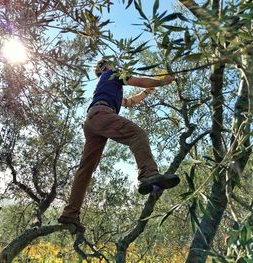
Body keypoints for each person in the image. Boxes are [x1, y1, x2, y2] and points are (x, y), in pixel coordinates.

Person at [58, 59, 180, 232]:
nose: (114, 64)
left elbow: (130, 102)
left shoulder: (108, 85)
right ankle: (148, 174)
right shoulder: (112, 74)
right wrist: (161, 82)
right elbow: (137, 80)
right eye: (110, 63)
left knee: (85, 169)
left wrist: (147, 92)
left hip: (93, 120)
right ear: (105, 67)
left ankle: (70, 214)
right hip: (102, 114)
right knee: (137, 134)